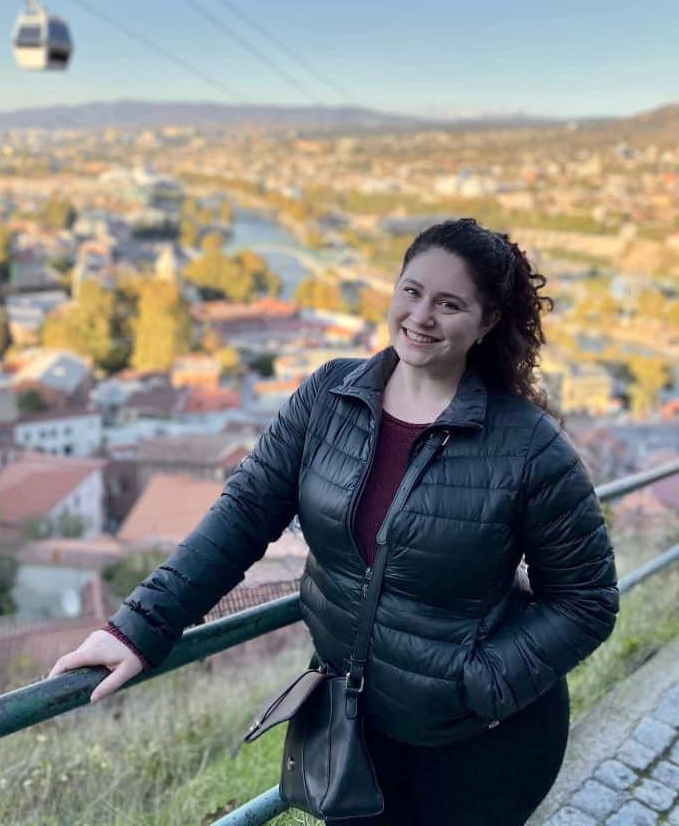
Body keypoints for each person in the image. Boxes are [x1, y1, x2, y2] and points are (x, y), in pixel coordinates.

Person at [49, 217, 619, 826]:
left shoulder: (528, 447)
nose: (421, 316)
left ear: (487, 323)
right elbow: (244, 514)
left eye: (449, 304)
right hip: (352, 730)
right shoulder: (330, 395)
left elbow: (587, 601)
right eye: (412, 291)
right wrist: (138, 629)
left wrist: (479, 683)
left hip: (480, 743)